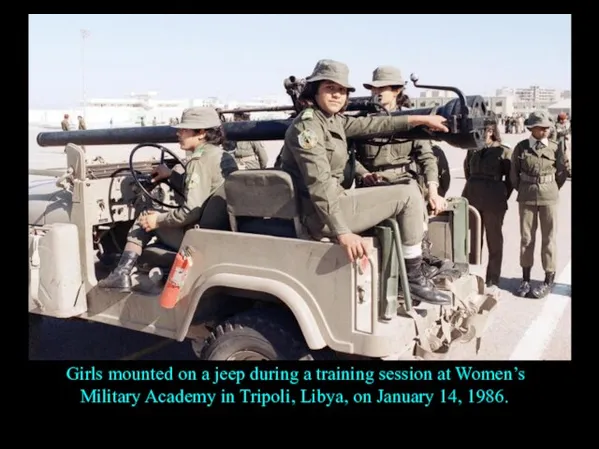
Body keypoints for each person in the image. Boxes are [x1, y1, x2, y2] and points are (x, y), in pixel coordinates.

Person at [277, 59, 452, 306]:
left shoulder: (332, 119)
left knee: (405, 192)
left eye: (342, 91)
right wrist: (343, 233)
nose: (337, 95)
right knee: (408, 195)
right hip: (320, 215)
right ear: (315, 90)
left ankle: (411, 269)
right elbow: (320, 184)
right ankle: (412, 278)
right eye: (330, 88)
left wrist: (417, 120)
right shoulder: (309, 127)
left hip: (333, 203)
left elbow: (374, 123)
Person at [99, 107, 238, 291]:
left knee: (144, 218)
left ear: (202, 133)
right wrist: (170, 175)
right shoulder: (223, 157)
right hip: (219, 229)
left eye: (184, 129)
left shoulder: (198, 162)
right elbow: (204, 191)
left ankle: (121, 274)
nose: (178, 133)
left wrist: (157, 220)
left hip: (196, 235)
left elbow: (191, 211)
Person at [354, 66, 449, 279]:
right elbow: (349, 158)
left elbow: (427, 158)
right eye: (373, 88)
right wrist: (363, 174)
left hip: (403, 182)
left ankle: (416, 266)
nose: (376, 93)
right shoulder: (362, 121)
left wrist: (433, 191)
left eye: (383, 88)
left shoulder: (413, 121)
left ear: (396, 90)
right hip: (372, 185)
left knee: (415, 199)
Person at [510, 111, 570, 299]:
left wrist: (550, 187)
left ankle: (547, 280)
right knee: (526, 239)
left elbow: (562, 172)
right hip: (527, 196)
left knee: (548, 239)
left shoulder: (554, 147)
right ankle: (526, 279)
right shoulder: (521, 148)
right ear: (532, 128)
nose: (545, 131)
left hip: (549, 196)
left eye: (546, 128)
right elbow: (514, 173)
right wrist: (523, 188)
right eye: (540, 128)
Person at [462, 123, 512, 288]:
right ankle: (474, 274)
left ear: (490, 131)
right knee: (474, 240)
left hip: (494, 199)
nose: (479, 133)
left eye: (482, 130)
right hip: (473, 197)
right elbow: (467, 171)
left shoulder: (504, 151)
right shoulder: (473, 149)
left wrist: (502, 194)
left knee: (494, 239)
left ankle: (492, 278)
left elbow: (510, 179)